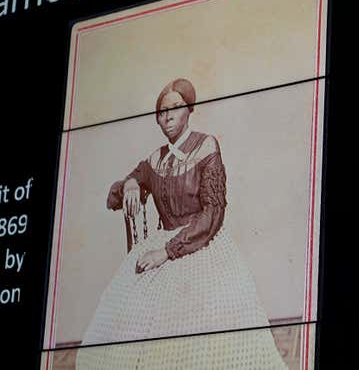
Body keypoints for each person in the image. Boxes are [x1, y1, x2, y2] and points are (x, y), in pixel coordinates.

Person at [75, 78, 287, 369]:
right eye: (162, 112)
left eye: (175, 108)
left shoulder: (206, 145)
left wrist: (168, 251)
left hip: (201, 245)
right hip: (160, 245)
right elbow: (113, 198)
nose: (168, 116)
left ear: (189, 109)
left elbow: (214, 212)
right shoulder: (155, 159)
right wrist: (132, 184)